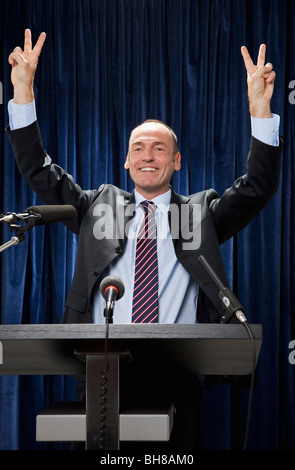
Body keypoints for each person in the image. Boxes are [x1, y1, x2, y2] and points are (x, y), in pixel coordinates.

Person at [6, 30, 282, 449]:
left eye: (158, 148)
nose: (147, 156)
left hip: (178, 373)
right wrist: (23, 90)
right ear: (126, 161)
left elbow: (258, 187)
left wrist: (259, 110)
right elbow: (38, 171)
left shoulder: (200, 212)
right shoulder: (98, 205)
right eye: (138, 148)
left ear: (176, 161)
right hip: (101, 370)